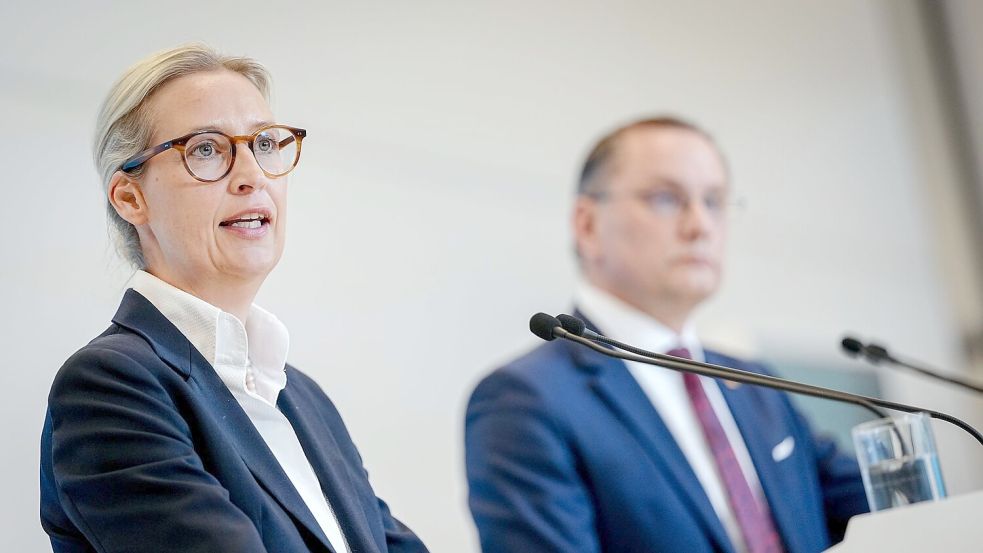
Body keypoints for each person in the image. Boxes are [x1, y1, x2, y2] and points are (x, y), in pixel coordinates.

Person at [40, 44, 428, 553]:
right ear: (131, 198)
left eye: (265, 144)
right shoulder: (111, 387)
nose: (253, 175)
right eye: (206, 149)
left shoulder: (304, 399)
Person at [465, 117, 868, 553]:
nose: (700, 225)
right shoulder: (526, 400)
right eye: (666, 199)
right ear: (586, 225)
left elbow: (887, 513)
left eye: (714, 201)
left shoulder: (757, 387)